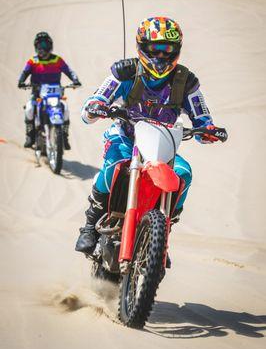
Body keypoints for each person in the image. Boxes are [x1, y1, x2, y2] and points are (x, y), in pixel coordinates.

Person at [75, 16, 222, 255]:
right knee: (114, 166)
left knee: (184, 173)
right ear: (142, 46)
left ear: (177, 50)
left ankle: (161, 235)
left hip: (161, 145)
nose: (162, 55)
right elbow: (97, 100)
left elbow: (202, 118)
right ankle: (90, 226)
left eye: (168, 49)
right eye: (156, 48)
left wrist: (209, 131)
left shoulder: (186, 81)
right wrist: (95, 107)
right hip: (126, 137)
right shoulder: (125, 71)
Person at [18, 32, 81, 149]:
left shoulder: (57, 60)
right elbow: (25, 72)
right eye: (39, 45)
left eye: (44, 44)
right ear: (35, 47)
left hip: (56, 94)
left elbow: (69, 71)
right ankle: (30, 136)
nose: (42, 48)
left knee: (65, 110)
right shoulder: (33, 61)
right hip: (37, 93)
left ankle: (64, 137)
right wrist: (21, 81)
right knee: (30, 109)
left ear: (50, 45)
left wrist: (75, 80)